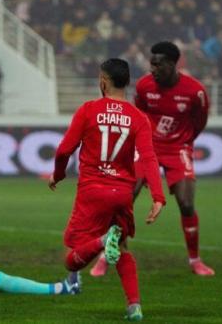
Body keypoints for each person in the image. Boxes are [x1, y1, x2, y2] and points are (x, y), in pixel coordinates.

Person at [49, 58, 165, 322]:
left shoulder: (89, 109)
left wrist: (57, 175)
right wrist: (158, 197)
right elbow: (149, 159)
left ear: (103, 81)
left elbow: (64, 150)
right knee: (123, 246)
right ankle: (134, 307)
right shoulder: (138, 117)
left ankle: (102, 242)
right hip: (122, 194)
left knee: (71, 260)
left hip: (92, 191)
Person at [93, 41, 212, 277]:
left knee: (187, 203)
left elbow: (199, 122)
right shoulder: (145, 86)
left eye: (158, 65)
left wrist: (185, 141)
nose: (152, 69)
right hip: (147, 146)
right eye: (151, 64)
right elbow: (139, 113)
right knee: (125, 196)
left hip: (178, 148)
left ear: (172, 64)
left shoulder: (195, 91)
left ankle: (195, 260)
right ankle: (107, 253)